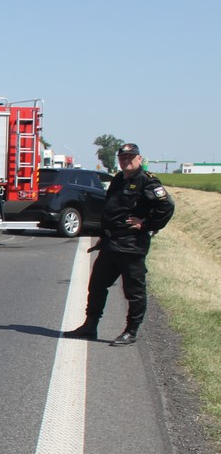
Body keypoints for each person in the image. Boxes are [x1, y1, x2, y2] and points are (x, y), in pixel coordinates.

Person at [64, 143, 174, 346]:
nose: (126, 161)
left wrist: (147, 224)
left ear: (139, 159)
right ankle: (90, 326)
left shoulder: (147, 181)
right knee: (96, 286)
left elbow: (167, 206)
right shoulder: (119, 179)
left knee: (134, 291)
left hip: (131, 245)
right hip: (111, 243)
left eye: (131, 157)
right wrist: (103, 235)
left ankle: (131, 331)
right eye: (123, 158)